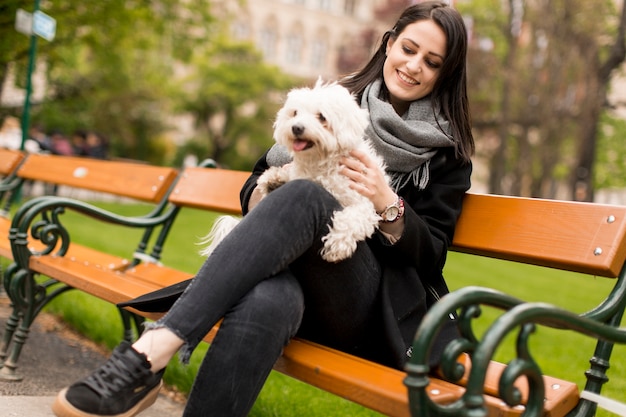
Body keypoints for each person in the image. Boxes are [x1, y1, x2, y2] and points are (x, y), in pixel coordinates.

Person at [51, 2, 474, 416]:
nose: (414, 65)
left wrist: (387, 201)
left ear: (445, 73)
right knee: (268, 298)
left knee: (306, 196)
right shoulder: (329, 104)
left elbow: (431, 255)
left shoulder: (446, 154)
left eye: (432, 61)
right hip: (291, 283)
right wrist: (281, 185)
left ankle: (148, 353)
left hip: (366, 307)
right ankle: (147, 367)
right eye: (409, 48)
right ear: (389, 44)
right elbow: (255, 185)